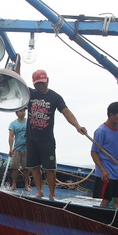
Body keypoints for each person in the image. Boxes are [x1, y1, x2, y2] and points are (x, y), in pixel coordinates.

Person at [25, 69, 87, 199]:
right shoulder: (29, 93)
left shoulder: (55, 97)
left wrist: (77, 126)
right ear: (33, 84)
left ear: (47, 80)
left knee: (49, 169)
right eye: (37, 84)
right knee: (34, 167)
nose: (40, 86)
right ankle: (40, 192)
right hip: (31, 138)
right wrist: (17, 64)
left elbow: (66, 112)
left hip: (47, 140)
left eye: (42, 83)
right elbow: (17, 81)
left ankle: (52, 195)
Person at [91, 101, 118, 208]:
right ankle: (100, 221)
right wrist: (102, 170)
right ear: (111, 115)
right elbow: (94, 152)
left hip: (117, 172)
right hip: (107, 173)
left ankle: (115, 220)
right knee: (106, 200)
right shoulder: (101, 131)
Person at [8, 108, 30, 191]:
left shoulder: (28, 122)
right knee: (15, 167)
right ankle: (14, 184)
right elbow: (11, 136)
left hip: (27, 148)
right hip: (17, 149)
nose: (23, 113)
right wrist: (11, 149)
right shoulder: (13, 124)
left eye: (24, 111)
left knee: (26, 168)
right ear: (16, 113)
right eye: (21, 111)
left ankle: (26, 185)